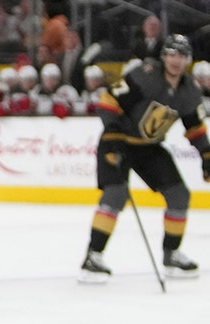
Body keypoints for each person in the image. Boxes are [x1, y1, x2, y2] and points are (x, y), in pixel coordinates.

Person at [78, 34, 210, 283]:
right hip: (118, 141)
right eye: (171, 54)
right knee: (115, 196)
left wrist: (206, 152)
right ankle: (92, 257)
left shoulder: (189, 89)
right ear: (164, 57)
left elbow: (194, 125)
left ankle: (172, 254)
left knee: (179, 195)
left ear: (188, 60)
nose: (176, 60)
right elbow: (108, 101)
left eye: (181, 55)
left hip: (148, 147)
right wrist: (114, 132)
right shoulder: (146, 75)